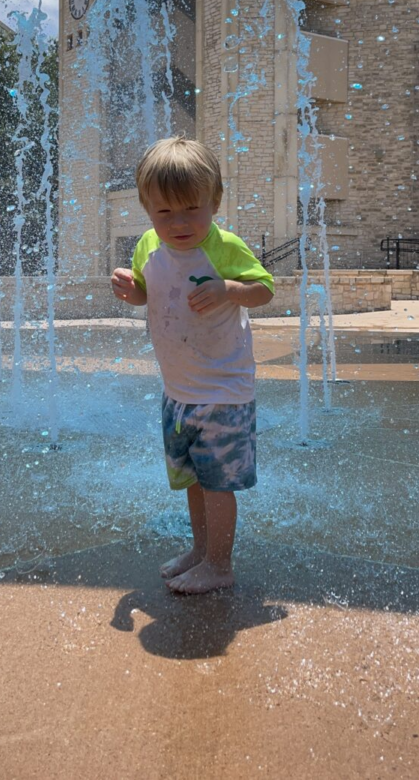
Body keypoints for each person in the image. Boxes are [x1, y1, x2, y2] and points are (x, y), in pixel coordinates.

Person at [111, 137, 274, 595]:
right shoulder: (148, 244)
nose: (179, 223)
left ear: (214, 202)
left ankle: (220, 564)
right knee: (194, 481)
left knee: (217, 485)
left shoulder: (225, 247)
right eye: (164, 213)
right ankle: (200, 552)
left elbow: (264, 288)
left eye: (191, 210)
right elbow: (149, 290)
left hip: (223, 390)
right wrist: (131, 290)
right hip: (179, 391)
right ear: (147, 209)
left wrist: (228, 289)